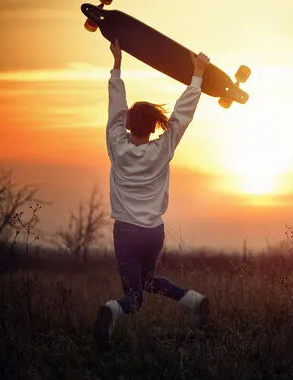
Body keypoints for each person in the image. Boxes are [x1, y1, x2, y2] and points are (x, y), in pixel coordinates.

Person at [93, 39, 211, 348]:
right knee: (146, 281)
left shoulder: (117, 147)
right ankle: (193, 300)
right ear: (153, 125)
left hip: (126, 234)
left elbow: (116, 108)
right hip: (153, 233)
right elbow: (182, 117)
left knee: (134, 298)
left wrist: (117, 65)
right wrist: (197, 74)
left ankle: (110, 311)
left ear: (129, 123)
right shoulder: (163, 149)